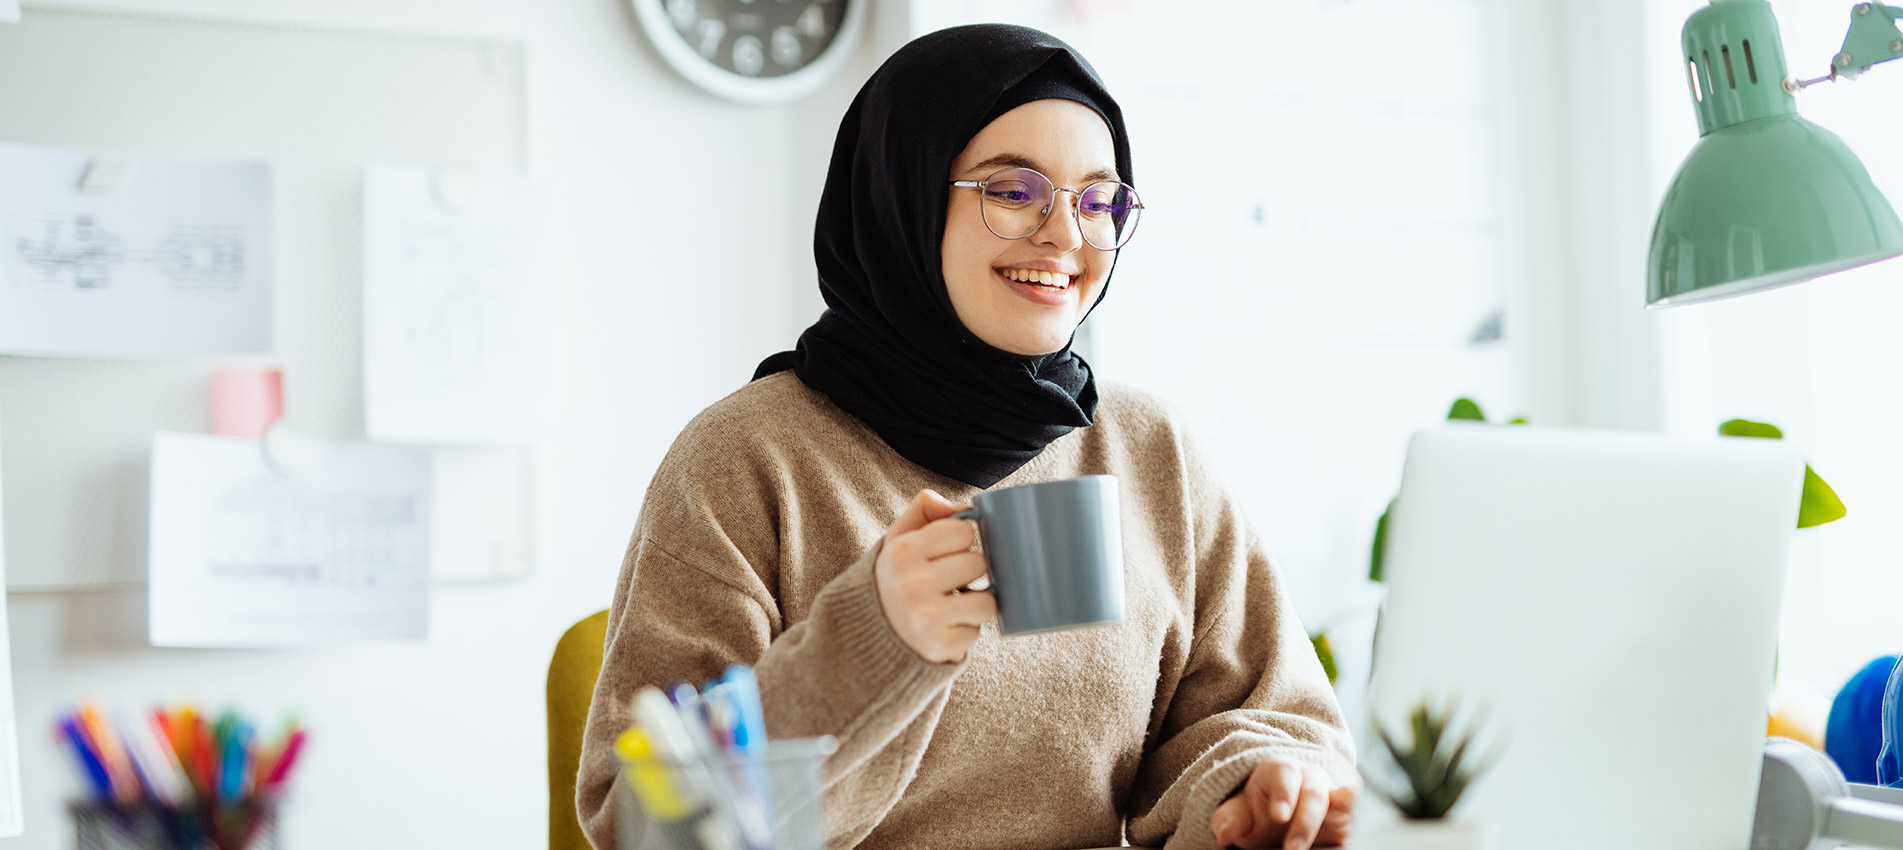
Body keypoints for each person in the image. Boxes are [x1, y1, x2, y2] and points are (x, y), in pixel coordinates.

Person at [577, 23, 1357, 850]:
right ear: (902, 197)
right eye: (1013, 191)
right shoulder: (745, 459)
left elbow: (1263, 720)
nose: (1065, 236)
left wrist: (1259, 790)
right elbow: (645, 825)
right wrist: (869, 642)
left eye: (1098, 201)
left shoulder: (1146, 447)